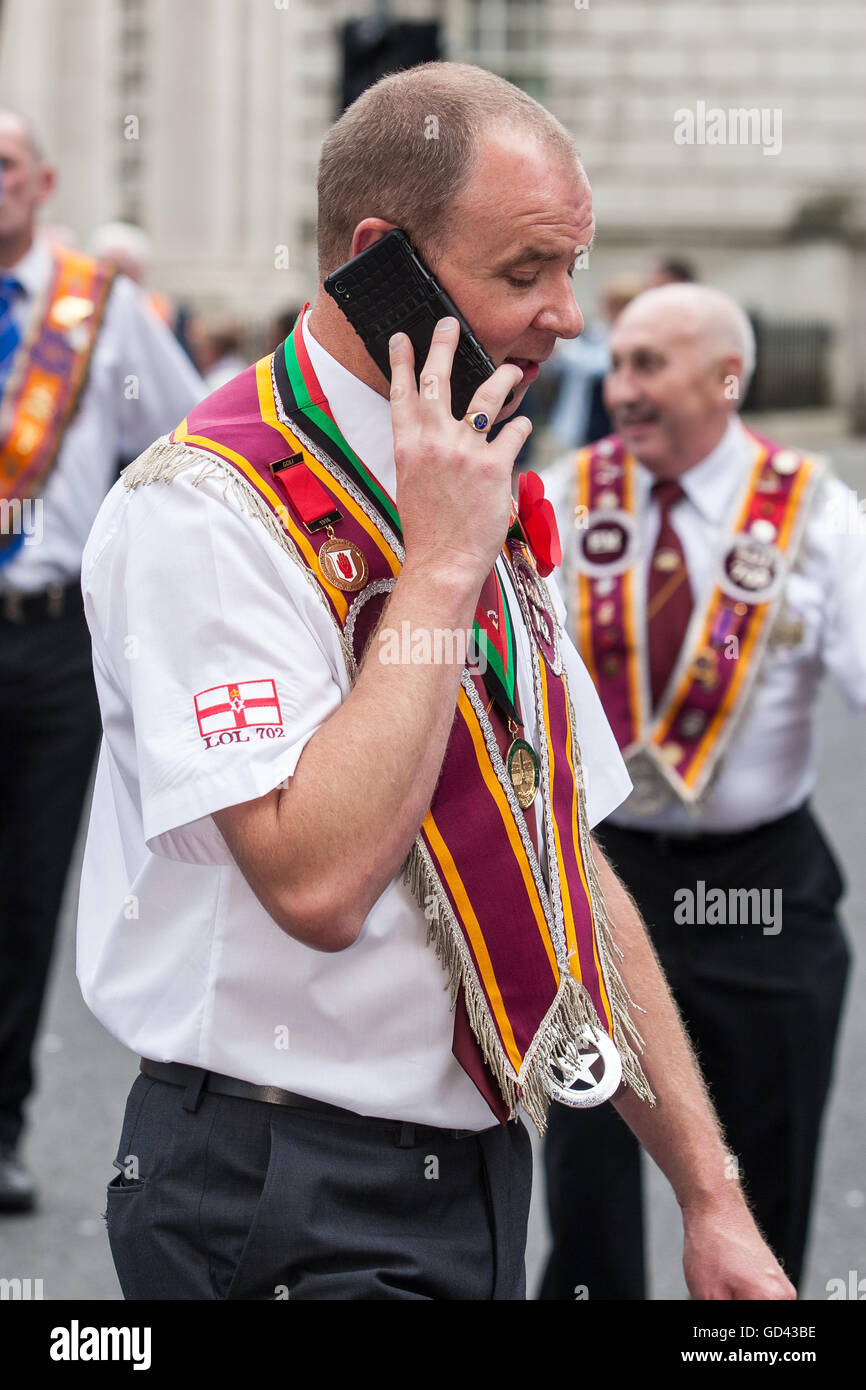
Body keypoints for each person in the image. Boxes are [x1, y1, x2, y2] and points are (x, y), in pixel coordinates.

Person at [77, 64, 794, 1301]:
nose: (568, 317)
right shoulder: (206, 506)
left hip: (464, 1177)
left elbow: (560, 862)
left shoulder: (463, 473)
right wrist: (443, 570)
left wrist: (707, 1193)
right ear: (379, 259)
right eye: (524, 271)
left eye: (573, 265)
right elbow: (314, 879)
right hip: (274, 1185)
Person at [541, 282, 862, 1298]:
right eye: (617, 362)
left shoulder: (817, 515)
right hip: (601, 875)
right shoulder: (556, 498)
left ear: (725, 379)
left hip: (761, 886)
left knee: (760, 1193)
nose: (619, 388)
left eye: (648, 366)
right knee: (584, 1188)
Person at [0, 109, 204, 1211]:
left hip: (43, 644)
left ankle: (1, 1126)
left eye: (5, 166)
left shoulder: (100, 310)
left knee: (25, 893)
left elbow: (184, 451)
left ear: (42, 181)